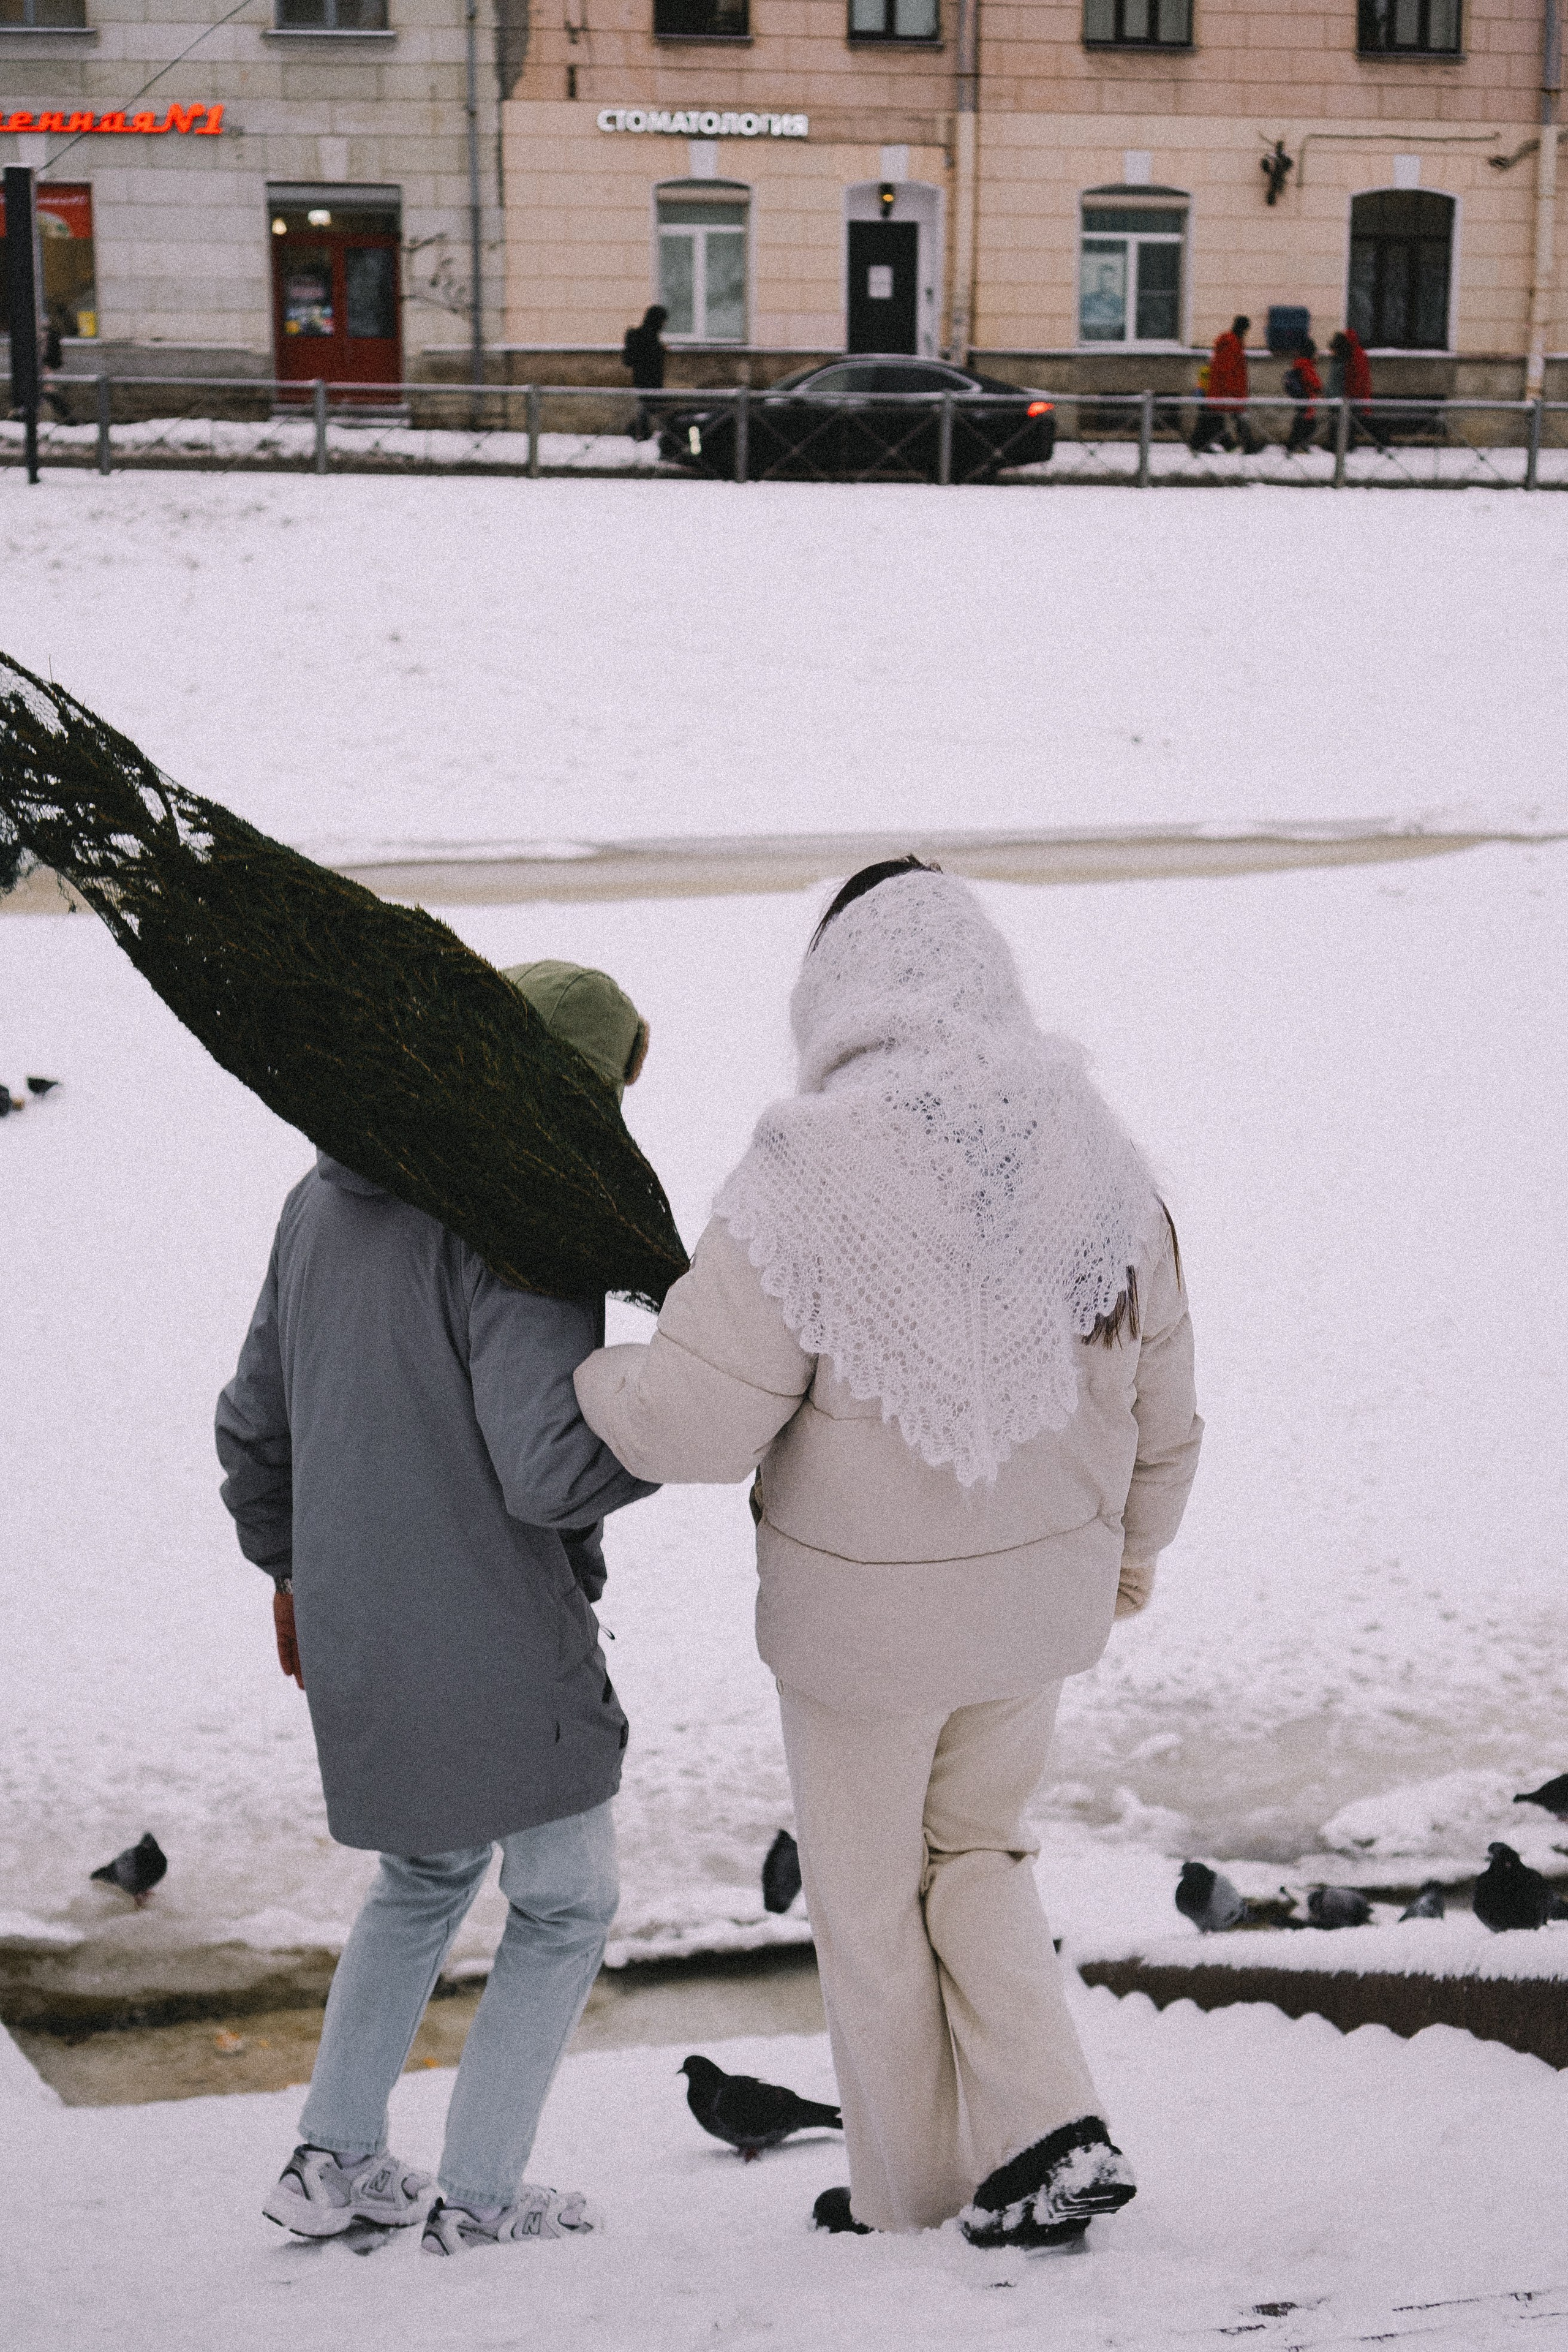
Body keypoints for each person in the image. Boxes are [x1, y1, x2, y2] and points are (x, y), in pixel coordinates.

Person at [573, 860, 1202, 2247]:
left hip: (860, 1642)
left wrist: (583, 1374)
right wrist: (1128, 1558)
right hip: (1037, 1609)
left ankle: (907, 2201)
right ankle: (1049, 2126)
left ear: (836, 988)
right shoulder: (1093, 1148)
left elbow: (687, 1421)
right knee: (980, 1854)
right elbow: (1164, 1409)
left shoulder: (805, 1171)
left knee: (864, 1903)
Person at [216, 960, 658, 2256]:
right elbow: (546, 1469)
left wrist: (293, 1575)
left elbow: (254, 1426)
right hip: (497, 1634)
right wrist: (673, 1420)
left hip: (360, 1623)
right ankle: (478, 2197)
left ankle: (334, 2162)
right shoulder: (518, 1224)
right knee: (566, 1899)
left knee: (420, 1878)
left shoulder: (324, 1196)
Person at [1189, 316, 1261, 454]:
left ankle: (1202, 444)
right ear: (1243, 329)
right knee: (1222, 418)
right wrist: (1232, 391)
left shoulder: (1232, 342)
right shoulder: (1231, 343)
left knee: (1211, 418)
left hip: (1225, 389)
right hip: (1226, 390)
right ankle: (1243, 445)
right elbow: (1227, 369)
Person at [1325, 326, 1382, 450]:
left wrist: (1353, 394)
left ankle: (1380, 441)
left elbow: (1357, 378)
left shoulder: (1355, 356)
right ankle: (1345, 444)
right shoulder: (1352, 355)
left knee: (1359, 421)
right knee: (1351, 420)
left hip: (1355, 396)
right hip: (1352, 395)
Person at [621, 303, 668, 442]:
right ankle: (639, 432)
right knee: (657, 409)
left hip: (641, 379)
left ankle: (641, 433)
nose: (665, 325)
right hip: (650, 380)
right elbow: (648, 358)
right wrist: (660, 351)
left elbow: (628, 360)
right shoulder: (650, 338)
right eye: (663, 321)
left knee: (647, 409)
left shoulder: (638, 336)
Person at [1283, 334, 1322, 454]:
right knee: (1308, 426)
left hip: (1302, 398)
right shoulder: (1306, 365)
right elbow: (1314, 382)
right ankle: (1295, 446)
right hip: (1307, 399)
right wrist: (1319, 387)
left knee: (1301, 423)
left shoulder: (1299, 363)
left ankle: (1295, 445)